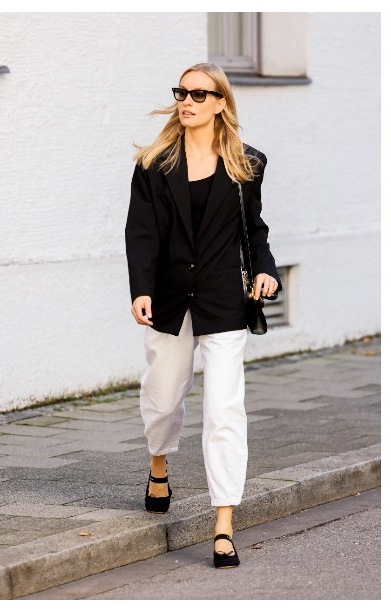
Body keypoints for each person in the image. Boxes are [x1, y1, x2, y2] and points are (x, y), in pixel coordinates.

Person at [126, 62, 280, 569]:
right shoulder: (153, 165)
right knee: (164, 396)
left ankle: (223, 525)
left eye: (198, 94)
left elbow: (252, 229)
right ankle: (158, 463)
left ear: (220, 103)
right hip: (168, 297)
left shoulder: (246, 164)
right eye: (181, 92)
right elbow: (141, 234)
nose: (186, 101)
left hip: (222, 299)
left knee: (224, 410)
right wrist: (141, 290)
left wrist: (267, 270)